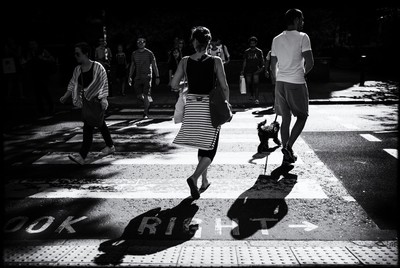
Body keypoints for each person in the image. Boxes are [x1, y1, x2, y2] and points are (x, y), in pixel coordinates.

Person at [171, 26, 230, 200]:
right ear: (208, 42)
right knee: (211, 148)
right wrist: (226, 105)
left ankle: (204, 181)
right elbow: (224, 86)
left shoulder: (185, 61)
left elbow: (174, 84)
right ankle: (194, 177)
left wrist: (185, 84)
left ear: (194, 42)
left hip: (192, 107)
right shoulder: (216, 61)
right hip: (210, 106)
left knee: (202, 143)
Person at [270, 8, 314, 165]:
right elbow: (310, 62)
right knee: (302, 117)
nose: (303, 22)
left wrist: (277, 83)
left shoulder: (276, 39)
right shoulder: (303, 37)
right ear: (295, 20)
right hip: (296, 82)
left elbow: (272, 66)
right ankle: (288, 147)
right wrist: (302, 74)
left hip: (280, 83)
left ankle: (286, 153)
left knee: (286, 119)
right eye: (301, 19)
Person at [60, 42, 115, 165]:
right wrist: (65, 96)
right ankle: (110, 146)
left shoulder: (98, 67)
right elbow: (73, 84)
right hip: (87, 102)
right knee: (100, 124)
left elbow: (104, 83)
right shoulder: (77, 69)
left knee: (88, 127)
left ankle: (82, 155)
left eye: (78, 53)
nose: (76, 56)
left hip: (97, 101)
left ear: (85, 54)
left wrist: (104, 98)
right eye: (75, 54)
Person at [128, 37, 160, 118]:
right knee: (139, 96)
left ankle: (145, 112)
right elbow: (132, 65)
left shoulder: (149, 53)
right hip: (138, 77)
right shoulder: (134, 53)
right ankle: (148, 103)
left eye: (142, 42)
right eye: (138, 42)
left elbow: (154, 65)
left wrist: (157, 76)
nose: (140, 43)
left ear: (145, 43)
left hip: (147, 76)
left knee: (145, 95)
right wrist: (130, 76)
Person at [25, 39, 56, 115]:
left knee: (45, 91)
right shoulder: (29, 53)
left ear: (36, 44)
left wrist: (43, 58)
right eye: (30, 44)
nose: (32, 46)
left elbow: (52, 59)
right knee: (37, 93)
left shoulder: (42, 51)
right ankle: (41, 110)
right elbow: (27, 62)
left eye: (33, 44)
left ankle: (51, 106)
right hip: (34, 74)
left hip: (43, 74)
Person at [240, 36, 264, 105]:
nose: (252, 44)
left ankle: (256, 99)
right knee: (249, 83)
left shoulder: (259, 51)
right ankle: (251, 94)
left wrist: (262, 68)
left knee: (256, 84)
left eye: (253, 43)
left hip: (256, 70)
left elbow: (262, 60)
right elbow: (245, 61)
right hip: (248, 70)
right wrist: (243, 69)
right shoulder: (247, 52)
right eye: (251, 43)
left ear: (256, 43)